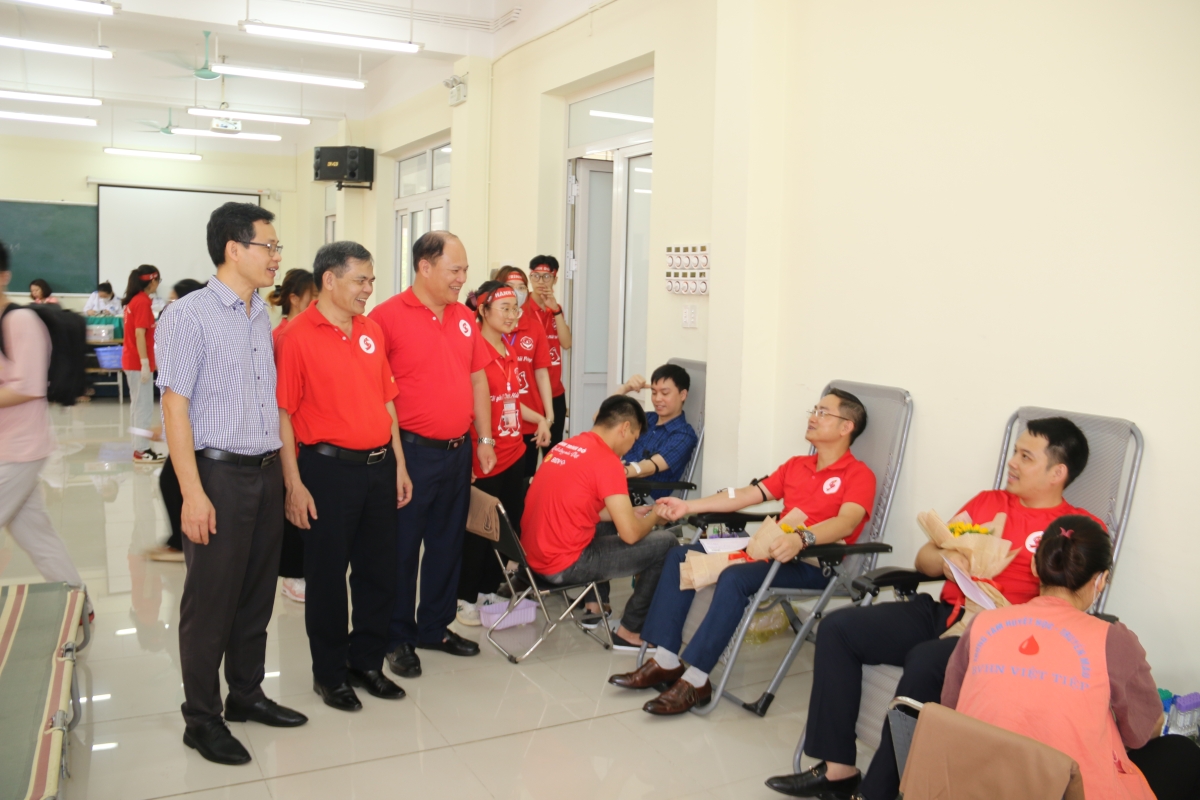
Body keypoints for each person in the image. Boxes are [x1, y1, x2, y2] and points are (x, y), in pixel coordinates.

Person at [765, 417, 1102, 800]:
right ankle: (839, 769)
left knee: (925, 661)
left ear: (1058, 472)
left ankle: (878, 792)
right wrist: (949, 560)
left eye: (1026, 457)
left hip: (1001, 635)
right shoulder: (988, 503)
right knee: (838, 628)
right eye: (1015, 452)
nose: (1012, 462)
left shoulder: (1075, 529)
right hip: (946, 611)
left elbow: (1071, 605)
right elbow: (924, 560)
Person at [611, 390, 876, 713]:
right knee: (681, 554)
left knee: (736, 577)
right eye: (814, 410)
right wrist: (687, 506)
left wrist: (803, 538)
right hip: (771, 549)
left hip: (814, 563)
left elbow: (847, 523)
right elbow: (744, 495)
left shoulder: (858, 474)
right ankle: (666, 660)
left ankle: (696, 680)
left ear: (846, 426)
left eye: (823, 412)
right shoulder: (797, 465)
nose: (812, 417)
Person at [156, 202, 306, 766]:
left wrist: (286, 479)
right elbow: (175, 407)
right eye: (269, 246)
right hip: (217, 474)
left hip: (264, 472)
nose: (277, 257)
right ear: (234, 249)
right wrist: (193, 493)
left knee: (256, 596)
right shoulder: (188, 315)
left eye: (276, 247)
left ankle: (246, 694)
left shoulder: (258, 315)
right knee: (210, 603)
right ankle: (201, 719)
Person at [943, 516, 1200, 800]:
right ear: (1101, 580)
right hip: (1065, 791)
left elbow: (950, 710)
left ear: (1034, 565)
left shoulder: (983, 624)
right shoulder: (1111, 639)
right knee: (1182, 752)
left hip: (973, 786)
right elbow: (1143, 731)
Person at [276, 241, 411, 711]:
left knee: (379, 572)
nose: (368, 289)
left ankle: (366, 662)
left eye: (371, 280)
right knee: (328, 577)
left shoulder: (371, 330)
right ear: (329, 280)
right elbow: (283, 415)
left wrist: (399, 464)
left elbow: (387, 401)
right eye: (360, 280)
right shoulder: (295, 336)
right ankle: (330, 674)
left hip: (379, 467)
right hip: (327, 470)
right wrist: (293, 484)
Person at [369, 230, 496, 679]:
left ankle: (434, 628)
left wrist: (484, 439)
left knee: (447, 544)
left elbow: (478, 378)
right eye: (454, 270)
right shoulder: (386, 318)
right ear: (425, 267)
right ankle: (397, 637)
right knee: (402, 549)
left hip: (458, 452)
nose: (462, 279)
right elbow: (375, 392)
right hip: (410, 453)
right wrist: (394, 458)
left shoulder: (463, 317)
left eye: (464, 270)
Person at [521, 394, 678, 653]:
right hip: (561, 566)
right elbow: (630, 535)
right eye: (634, 439)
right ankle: (631, 631)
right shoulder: (607, 461)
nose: (630, 447)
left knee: (611, 521)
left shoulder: (567, 446)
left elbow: (580, 506)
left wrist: (630, 512)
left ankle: (596, 606)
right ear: (624, 428)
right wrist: (654, 517)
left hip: (532, 559)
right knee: (667, 543)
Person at [456, 280, 553, 626]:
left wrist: (539, 418)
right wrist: (468, 453)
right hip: (485, 456)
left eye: (516, 308)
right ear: (482, 311)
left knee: (503, 528)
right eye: (505, 308)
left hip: (514, 452)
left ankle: (487, 590)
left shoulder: (508, 350)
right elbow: (465, 406)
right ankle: (465, 598)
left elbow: (509, 400)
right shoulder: (472, 351)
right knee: (478, 529)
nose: (513, 315)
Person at [0, 241, 89, 614]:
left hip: (19, 450)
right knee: (38, 537)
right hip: (8, 449)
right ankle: (79, 605)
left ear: (4, 277)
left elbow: (29, 386)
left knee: (37, 535)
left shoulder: (20, 322)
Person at [147, 278, 208, 563]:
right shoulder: (178, 328)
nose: (170, 305)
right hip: (187, 426)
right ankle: (179, 541)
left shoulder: (191, 327)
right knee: (170, 481)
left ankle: (181, 543)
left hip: (199, 432)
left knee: (172, 482)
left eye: (174, 299)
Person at [267, 267, 316, 601]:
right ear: (295, 299)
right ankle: (293, 575)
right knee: (294, 508)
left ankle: (304, 570)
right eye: (314, 298)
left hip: (309, 435)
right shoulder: (284, 336)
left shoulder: (308, 333)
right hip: (291, 435)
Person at [494, 266, 555, 476]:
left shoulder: (534, 327)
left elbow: (541, 373)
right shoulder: (489, 327)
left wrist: (548, 416)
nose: (516, 292)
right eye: (510, 287)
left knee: (525, 481)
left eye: (521, 288)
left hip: (531, 420)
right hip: (498, 422)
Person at [615, 364, 698, 495]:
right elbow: (601, 423)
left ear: (683, 395)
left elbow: (648, 467)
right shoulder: (647, 418)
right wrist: (624, 389)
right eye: (654, 393)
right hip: (616, 486)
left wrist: (612, 472)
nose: (657, 399)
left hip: (641, 497)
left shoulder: (684, 435)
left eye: (665, 393)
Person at [524, 256, 571, 449]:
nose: (541, 282)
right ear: (530, 277)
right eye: (536, 276)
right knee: (529, 451)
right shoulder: (522, 307)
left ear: (555, 279)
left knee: (554, 450)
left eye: (547, 277)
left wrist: (556, 311)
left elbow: (566, 343)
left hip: (555, 391)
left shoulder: (556, 310)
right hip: (529, 394)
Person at [121, 265, 164, 463]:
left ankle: (139, 447)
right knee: (143, 407)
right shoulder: (142, 302)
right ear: (152, 281)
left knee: (138, 406)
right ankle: (141, 450)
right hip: (138, 363)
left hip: (133, 361)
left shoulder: (136, 300)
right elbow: (140, 334)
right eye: (158, 281)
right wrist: (145, 363)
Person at [269, 267, 316, 344]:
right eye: (315, 295)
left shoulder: (315, 331)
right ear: (294, 299)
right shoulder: (278, 337)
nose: (318, 301)